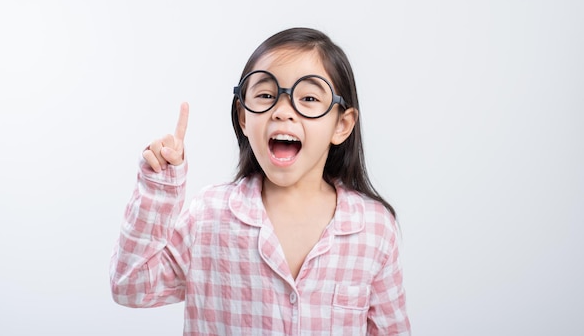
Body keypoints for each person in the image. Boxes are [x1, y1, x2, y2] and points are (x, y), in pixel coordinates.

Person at [110, 27, 411, 335]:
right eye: (266, 95)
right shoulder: (209, 216)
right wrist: (160, 187)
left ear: (342, 125)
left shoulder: (374, 228)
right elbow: (130, 286)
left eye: (308, 97)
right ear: (243, 117)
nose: (282, 111)